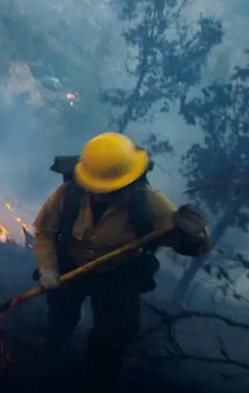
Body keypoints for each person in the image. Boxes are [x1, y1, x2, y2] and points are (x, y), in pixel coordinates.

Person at [31, 132, 211, 388]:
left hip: (119, 274)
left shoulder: (149, 202)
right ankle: (49, 361)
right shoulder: (69, 193)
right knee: (60, 316)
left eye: (117, 190)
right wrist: (48, 269)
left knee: (113, 337)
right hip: (71, 265)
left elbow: (191, 245)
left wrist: (193, 235)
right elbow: (45, 231)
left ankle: (96, 379)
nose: (108, 195)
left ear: (133, 180)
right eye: (102, 190)